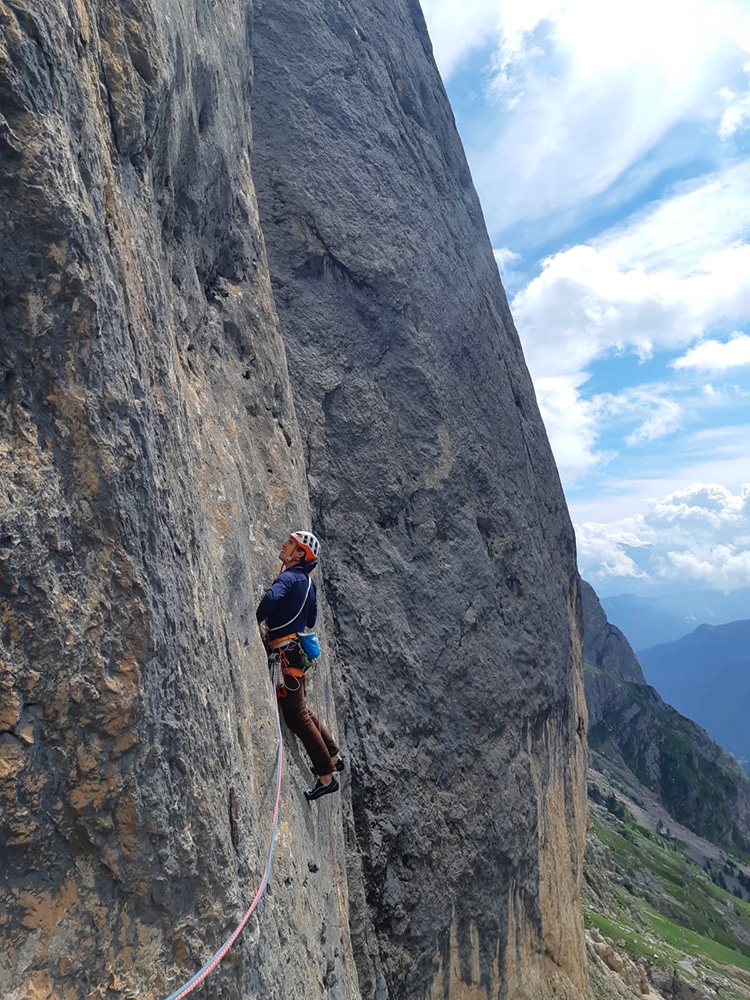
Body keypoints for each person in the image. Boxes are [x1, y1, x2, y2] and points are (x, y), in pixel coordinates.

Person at [256, 530, 344, 801]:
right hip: (296, 653)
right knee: (301, 709)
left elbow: (271, 599)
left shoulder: (289, 577)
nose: (284, 545)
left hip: (284, 651)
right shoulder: (308, 583)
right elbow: (312, 620)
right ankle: (333, 753)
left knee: (297, 716)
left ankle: (326, 774)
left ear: (299, 553)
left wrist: (257, 618)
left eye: (290, 543)